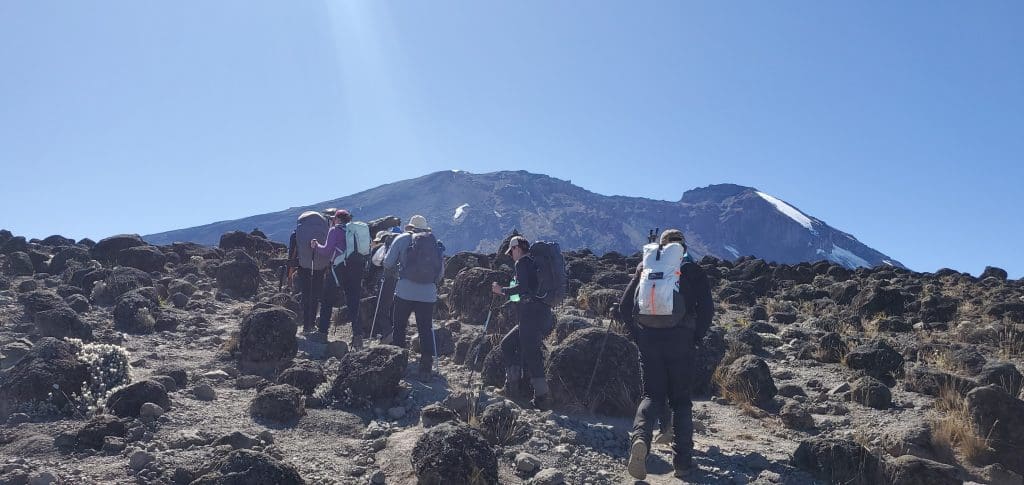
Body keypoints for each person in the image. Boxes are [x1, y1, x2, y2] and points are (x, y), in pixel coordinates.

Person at [617, 229, 714, 479]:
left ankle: (641, 440)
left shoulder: (645, 267)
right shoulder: (692, 269)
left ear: (661, 247)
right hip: (681, 341)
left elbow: (624, 306)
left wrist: (637, 335)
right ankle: (682, 462)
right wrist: (695, 337)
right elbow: (707, 310)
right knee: (680, 401)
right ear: (683, 246)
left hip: (649, 340)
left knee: (651, 395)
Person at [491, 236, 553, 410]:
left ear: (517, 248)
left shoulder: (522, 264)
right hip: (541, 314)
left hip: (530, 316)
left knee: (532, 354)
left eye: (511, 251)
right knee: (508, 344)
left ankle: (542, 398)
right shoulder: (534, 264)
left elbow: (523, 288)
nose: (511, 255)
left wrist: (501, 290)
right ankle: (512, 387)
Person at [382, 215, 445, 380]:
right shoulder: (434, 242)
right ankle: (425, 368)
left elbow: (388, 263)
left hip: (404, 291)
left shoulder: (403, 239)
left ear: (410, 227)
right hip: (428, 294)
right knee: (425, 329)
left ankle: (399, 363)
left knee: (400, 327)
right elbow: (440, 274)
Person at [310, 209, 366, 347]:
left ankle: (322, 333)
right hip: (356, 269)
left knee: (327, 300)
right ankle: (358, 336)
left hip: (338, 269)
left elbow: (326, 250)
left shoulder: (335, 230)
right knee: (353, 303)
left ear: (337, 219)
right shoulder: (355, 231)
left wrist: (315, 245)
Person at [290, 211, 330, 332]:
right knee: (316, 295)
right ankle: (312, 323)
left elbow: (292, 255)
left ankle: (306, 325)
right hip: (321, 268)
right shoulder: (325, 231)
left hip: (304, 267)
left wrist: (290, 274)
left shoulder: (296, 233)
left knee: (306, 294)